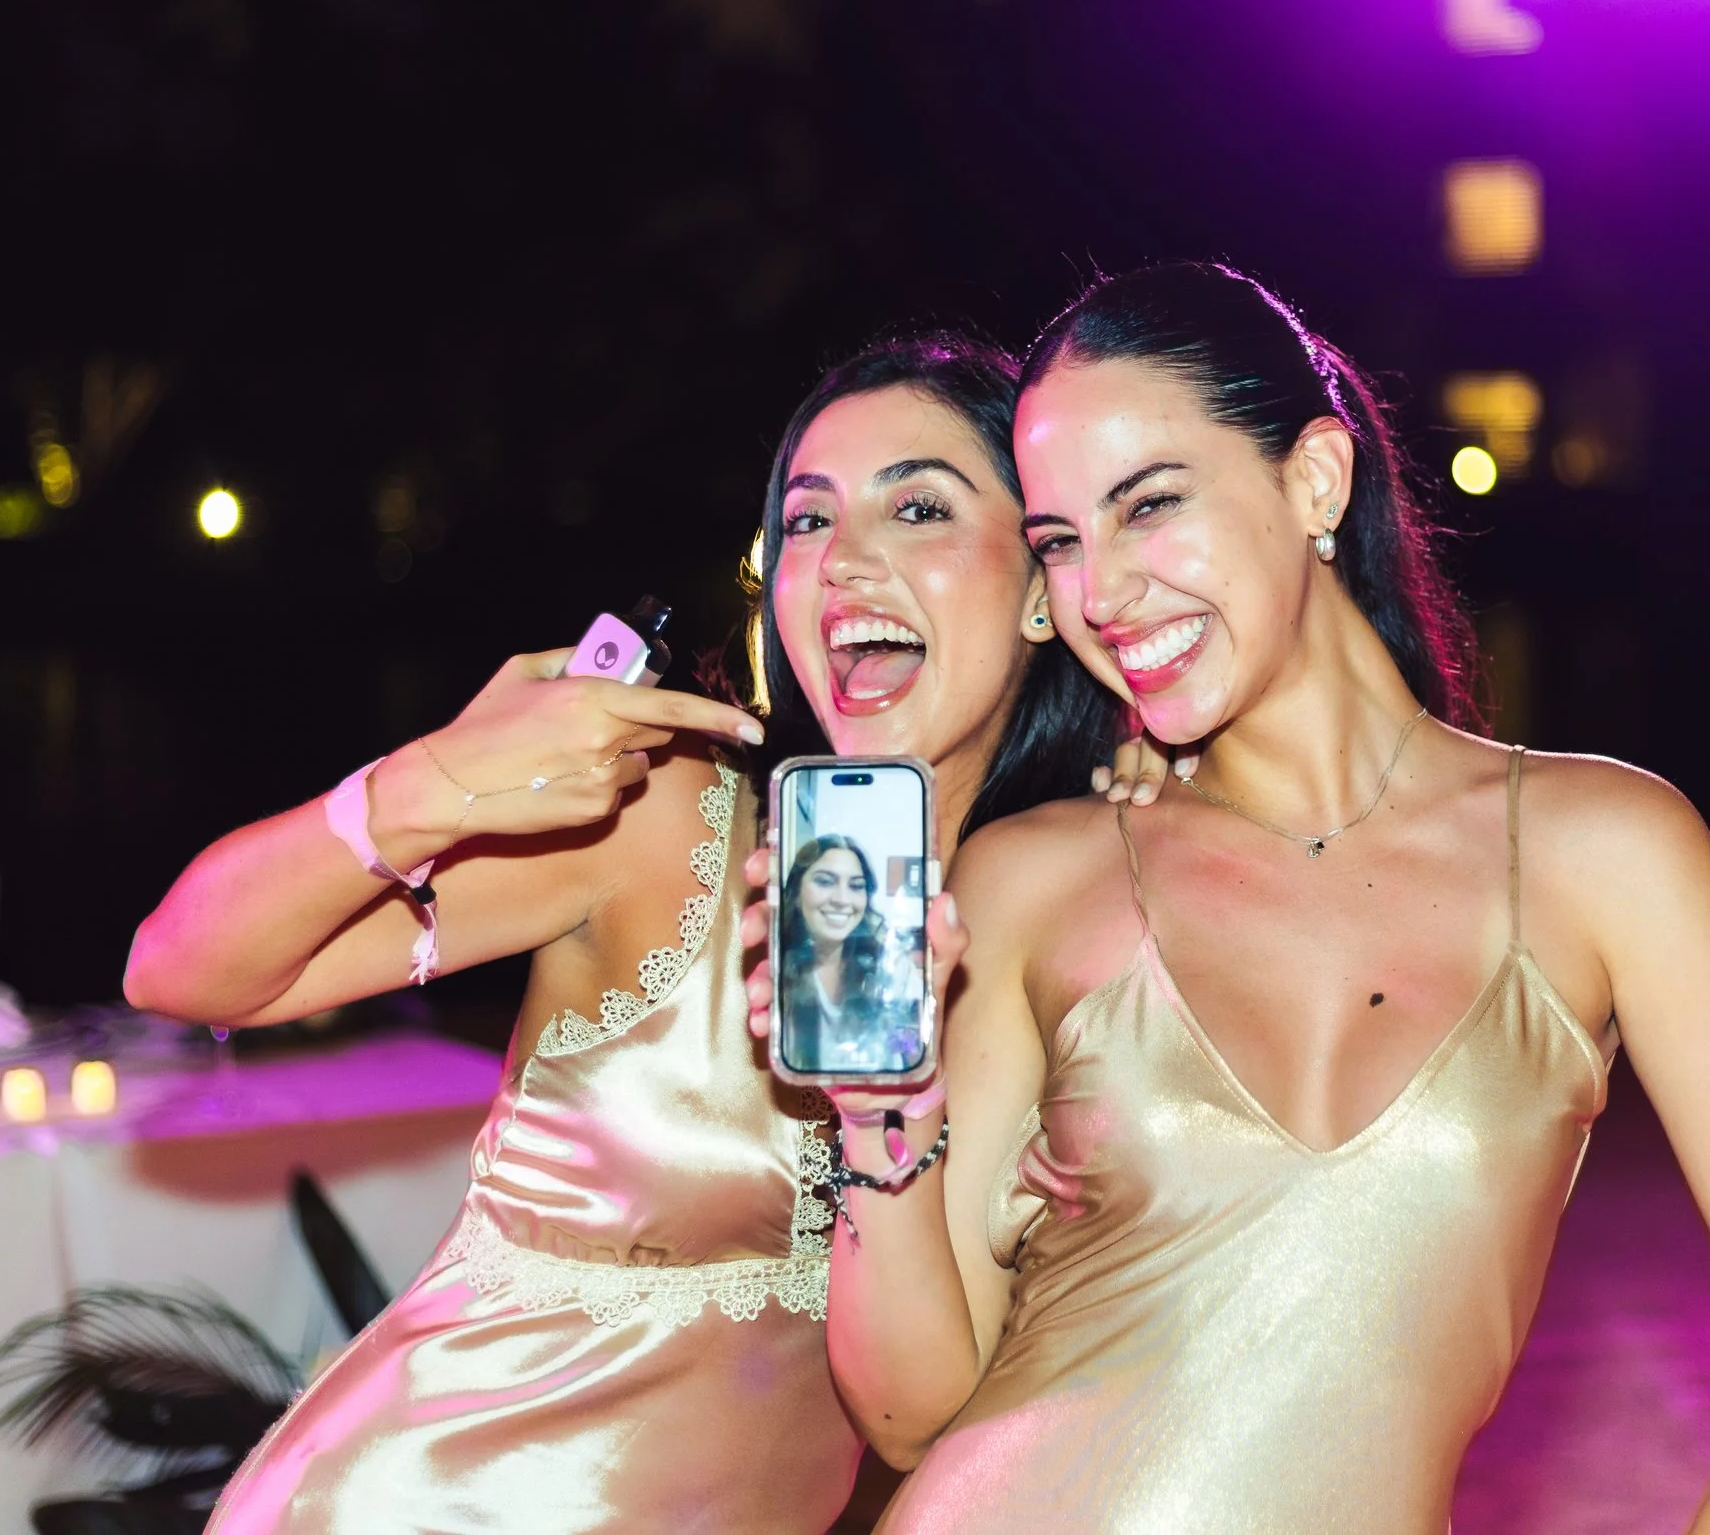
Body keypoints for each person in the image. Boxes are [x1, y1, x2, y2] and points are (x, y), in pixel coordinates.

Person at [772, 264, 1710, 1534]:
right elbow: (911, 1412)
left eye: (1148, 505)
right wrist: (880, 1120)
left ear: (1313, 478)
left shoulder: (1604, 850)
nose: (1100, 591)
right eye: (1059, 542)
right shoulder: (1035, 876)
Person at [122, 330, 1157, 1534]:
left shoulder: (1059, 904)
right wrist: (437, 777)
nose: (844, 564)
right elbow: (182, 967)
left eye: (917, 506)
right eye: (808, 523)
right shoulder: (664, 811)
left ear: (1043, 586)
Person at [776, 835, 923, 1075]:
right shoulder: (776, 970)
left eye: (856, 886)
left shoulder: (891, 967)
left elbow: (910, 1050)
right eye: (824, 882)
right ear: (796, 893)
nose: (842, 900)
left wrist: (897, 1036)